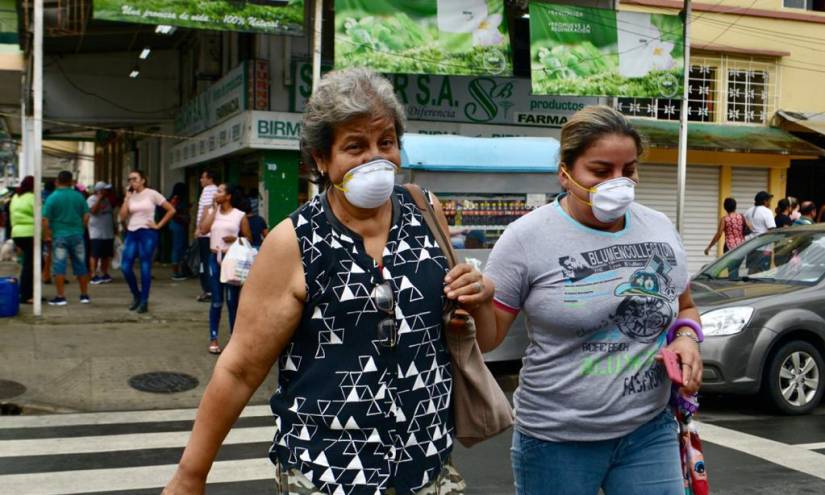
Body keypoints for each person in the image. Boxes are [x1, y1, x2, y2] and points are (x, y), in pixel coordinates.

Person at [164, 68, 495, 495]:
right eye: (355, 146)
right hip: (330, 473)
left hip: (426, 467)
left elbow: (467, 333)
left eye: (386, 142)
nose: (376, 158)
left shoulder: (425, 209)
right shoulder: (294, 242)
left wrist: (477, 295)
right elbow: (241, 368)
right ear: (322, 159)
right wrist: (191, 474)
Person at [483, 106, 703, 495]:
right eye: (600, 172)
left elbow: (684, 306)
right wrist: (470, 306)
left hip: (647, 430)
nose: (618, 183)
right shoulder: (525, 238)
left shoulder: (659, 226)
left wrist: (686, 338)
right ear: (564, 172)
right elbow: (488, 339)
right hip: (556, 439)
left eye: (629, 170)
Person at [198, 184, 252, 354]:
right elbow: (203, 229)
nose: (216, 194)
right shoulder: (213, 213)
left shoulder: (239, 215)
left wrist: (235, 239)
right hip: (214, 258)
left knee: (232, 301)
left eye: (220, 191)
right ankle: (213, 338)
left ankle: (233, 339)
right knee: (216, 300)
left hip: (232, 260)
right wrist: (214, 209)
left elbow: (249, 238)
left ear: (228, 196)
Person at [118, 170, 175, 313]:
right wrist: (126, 199)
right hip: (132, 232)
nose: (132, 182)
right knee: (125, 266)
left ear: (143, 180)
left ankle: (144, 301)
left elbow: (171, 210)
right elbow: (122, 217)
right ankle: (136, 296)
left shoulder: (152, 193)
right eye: (130, 179)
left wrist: (159, 225)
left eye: (135, 179)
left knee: (145, 266)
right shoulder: (130, 196)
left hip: (148, 232)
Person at [43, 170, 91, 306]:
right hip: (77, 235)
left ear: (57, 181)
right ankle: (84, 295)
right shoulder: (79, 196)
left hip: (59, 236)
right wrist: (82, 228)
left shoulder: (52, 197)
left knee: (59, 266)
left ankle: (61, 296)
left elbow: (45, 219)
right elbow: (87, 215)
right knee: (81, 265)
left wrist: (47, 234)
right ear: (71, 182)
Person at [10, 176, 35, 304]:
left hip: (17, 234)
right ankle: (26, 295)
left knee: (29, 264)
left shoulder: (15, 197)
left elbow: (11, 216)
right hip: (31, 234)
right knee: (31, 265)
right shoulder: (32, 197)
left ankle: (27, 292)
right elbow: (39, 215)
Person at [195, 170, 218, 302]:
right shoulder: (214, 190)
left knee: (205, 261)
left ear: (210, 179)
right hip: (210, 232)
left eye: (203, 178)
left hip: (206, 233)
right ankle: (210, 290)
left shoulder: (209, 190)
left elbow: (206, 210)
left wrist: (199, 228)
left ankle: (208, 290)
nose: (201, 180)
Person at [87, 181, 116, 284]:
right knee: (95, 254)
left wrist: (114, 227)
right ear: (99, 191)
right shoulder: (91, 199)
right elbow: (93, 211)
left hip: (108, 232)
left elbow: (110, 214)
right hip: (96, 232)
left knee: (106, 255)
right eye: (105, 190)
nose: (107, 192)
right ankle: (93, 274)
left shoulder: (107, 200)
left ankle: (104, 273)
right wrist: (99, 199)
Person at [167, 182, 190, 281]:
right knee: (177, 248)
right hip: (177, 224)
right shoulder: (177, 199)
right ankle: (176, 272)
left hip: (175, 224)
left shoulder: (173, 198)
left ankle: (178, 271)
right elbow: (174, 211)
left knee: (178, 247)